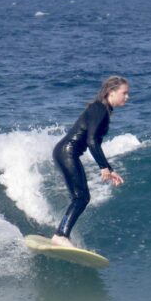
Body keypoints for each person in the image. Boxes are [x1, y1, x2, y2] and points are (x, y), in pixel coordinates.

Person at [50, 76, 129, 248]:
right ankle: (61, 235)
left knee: (79, 197)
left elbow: (96, 143)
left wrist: (110, 168)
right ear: (112, 92)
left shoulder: (103, 110)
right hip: (67, 152)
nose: (127, 97)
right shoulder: (99, 108)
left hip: (64, 152)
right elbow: (91, 141)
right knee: (82, 197)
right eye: (124, 93)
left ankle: (60, 234)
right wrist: (103, 168)